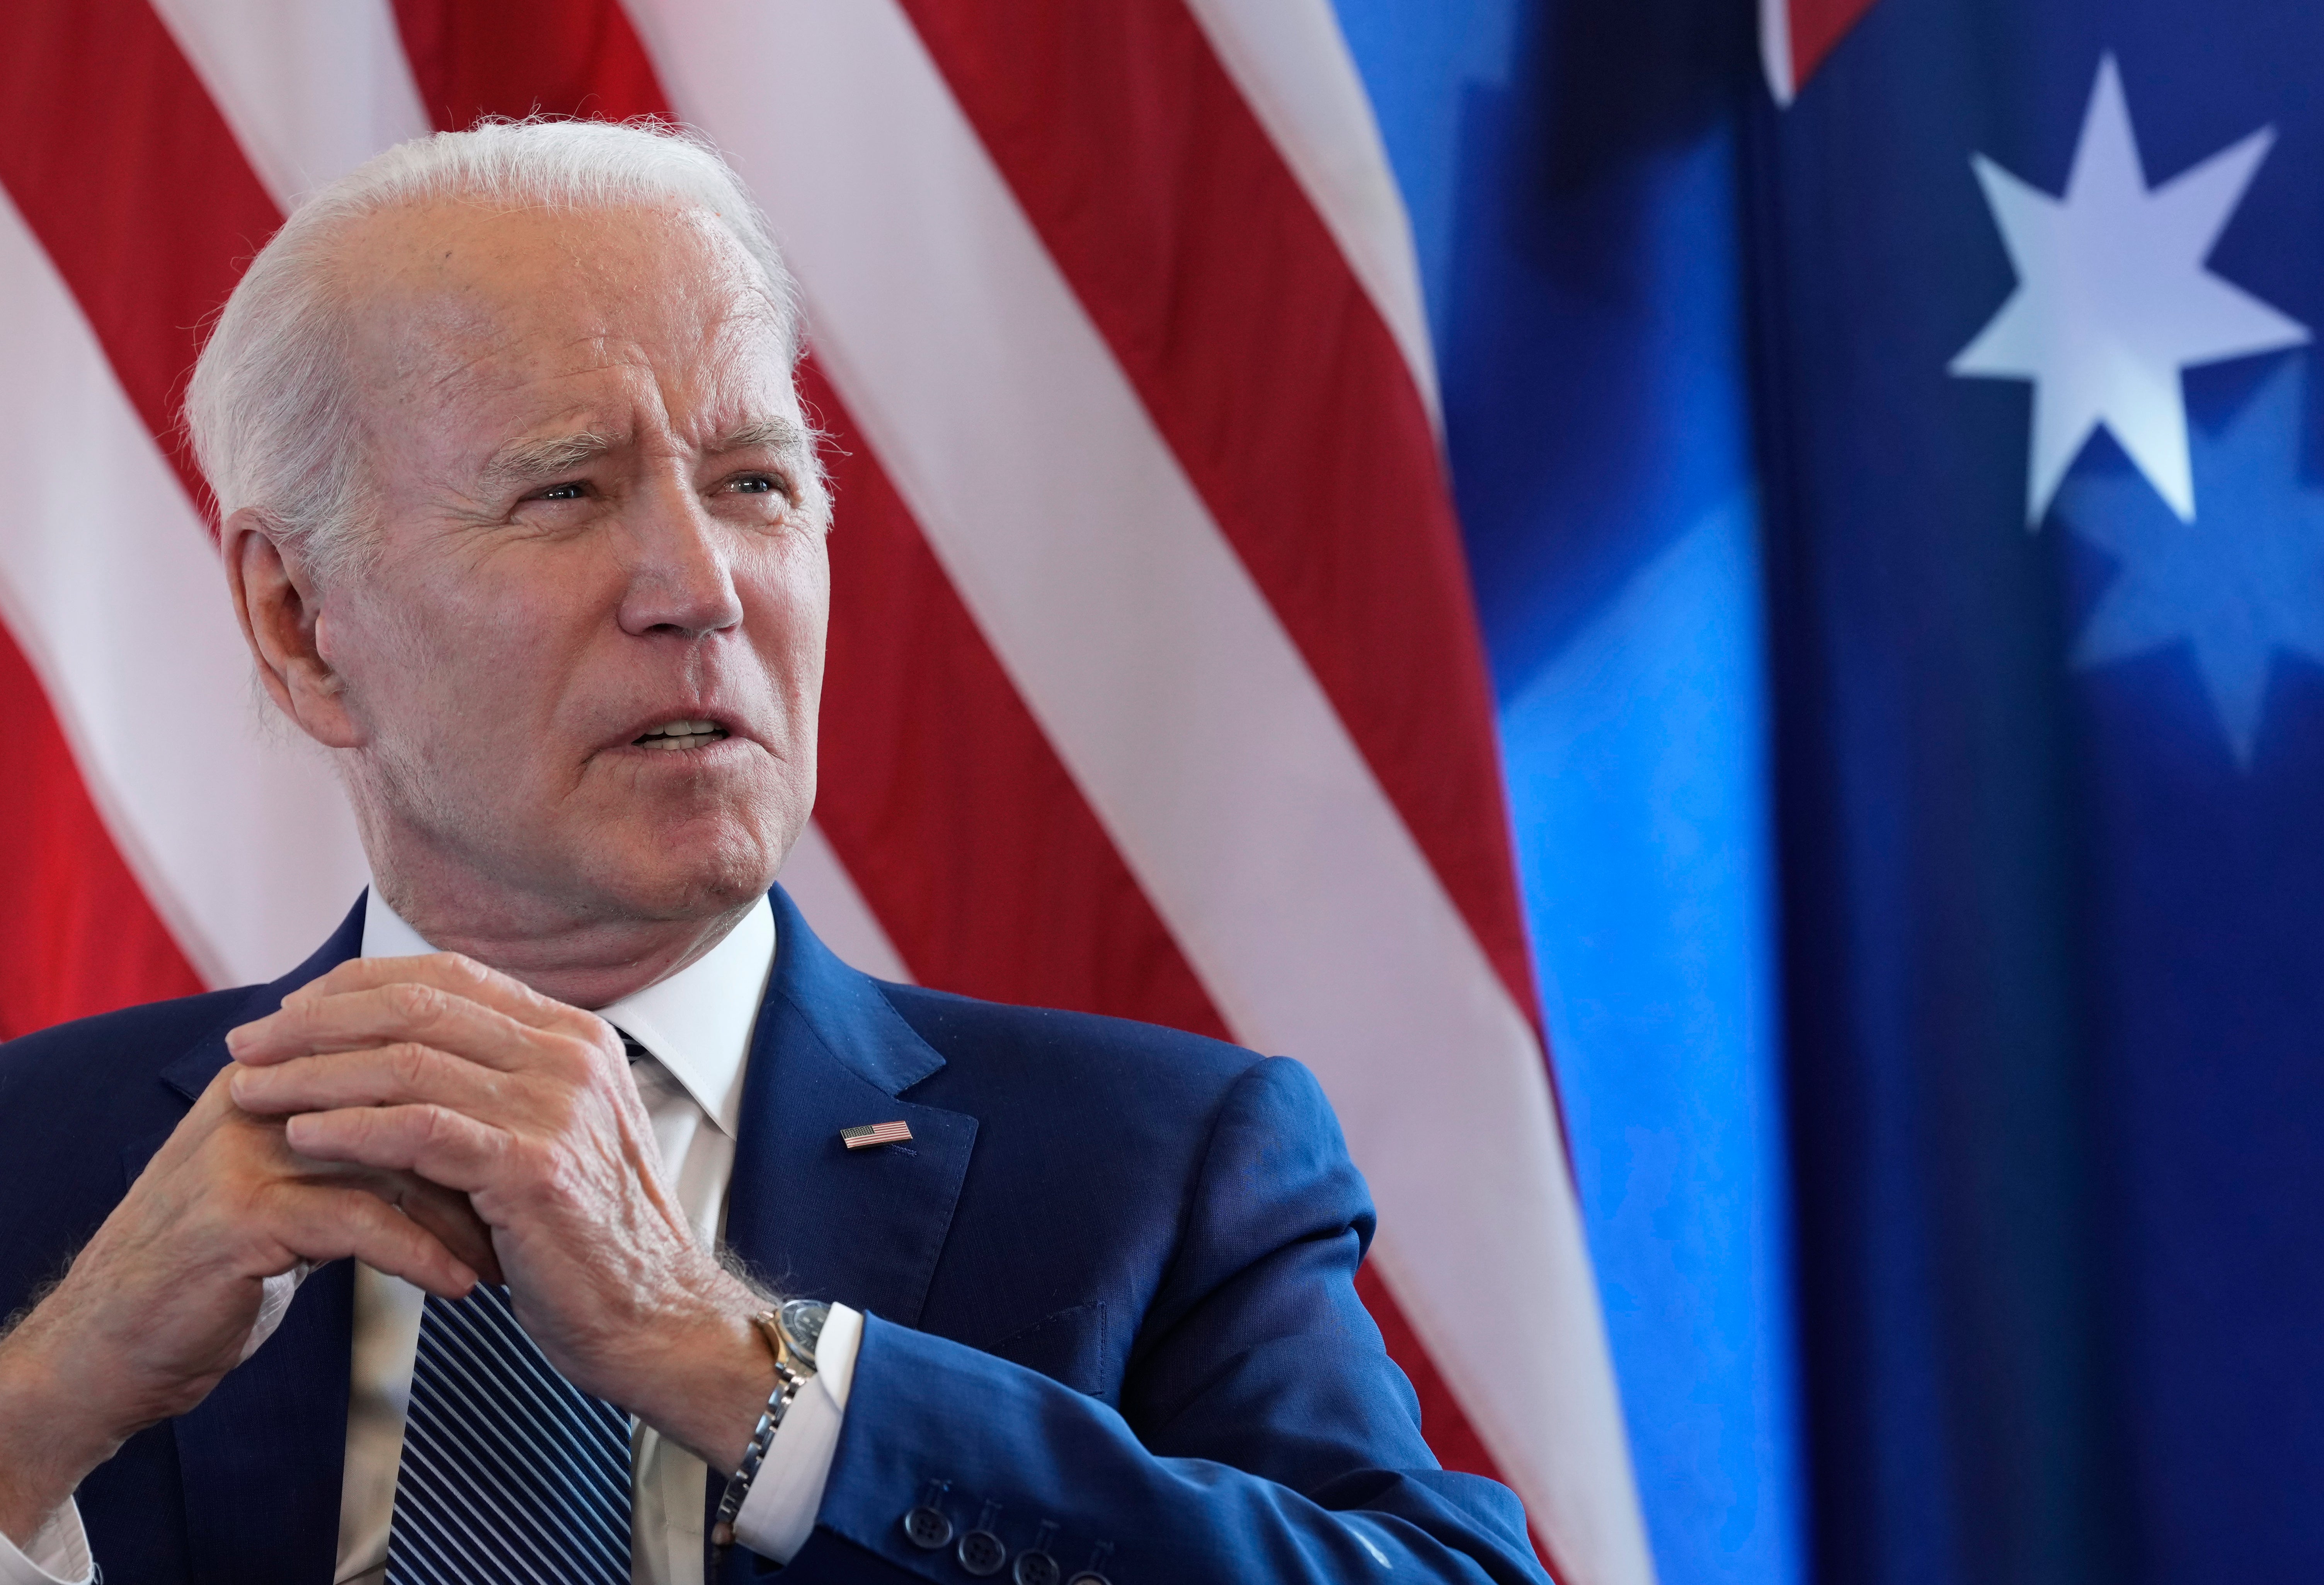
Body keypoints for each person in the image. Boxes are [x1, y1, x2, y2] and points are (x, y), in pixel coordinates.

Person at [0, 120, 1549, 1585]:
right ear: (298, 624)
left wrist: (744, 1370)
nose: (701, 584)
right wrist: (34, 1420)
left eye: (756, 485)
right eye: (564, 493)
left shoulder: (1159, 1170)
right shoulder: (32, 1163)